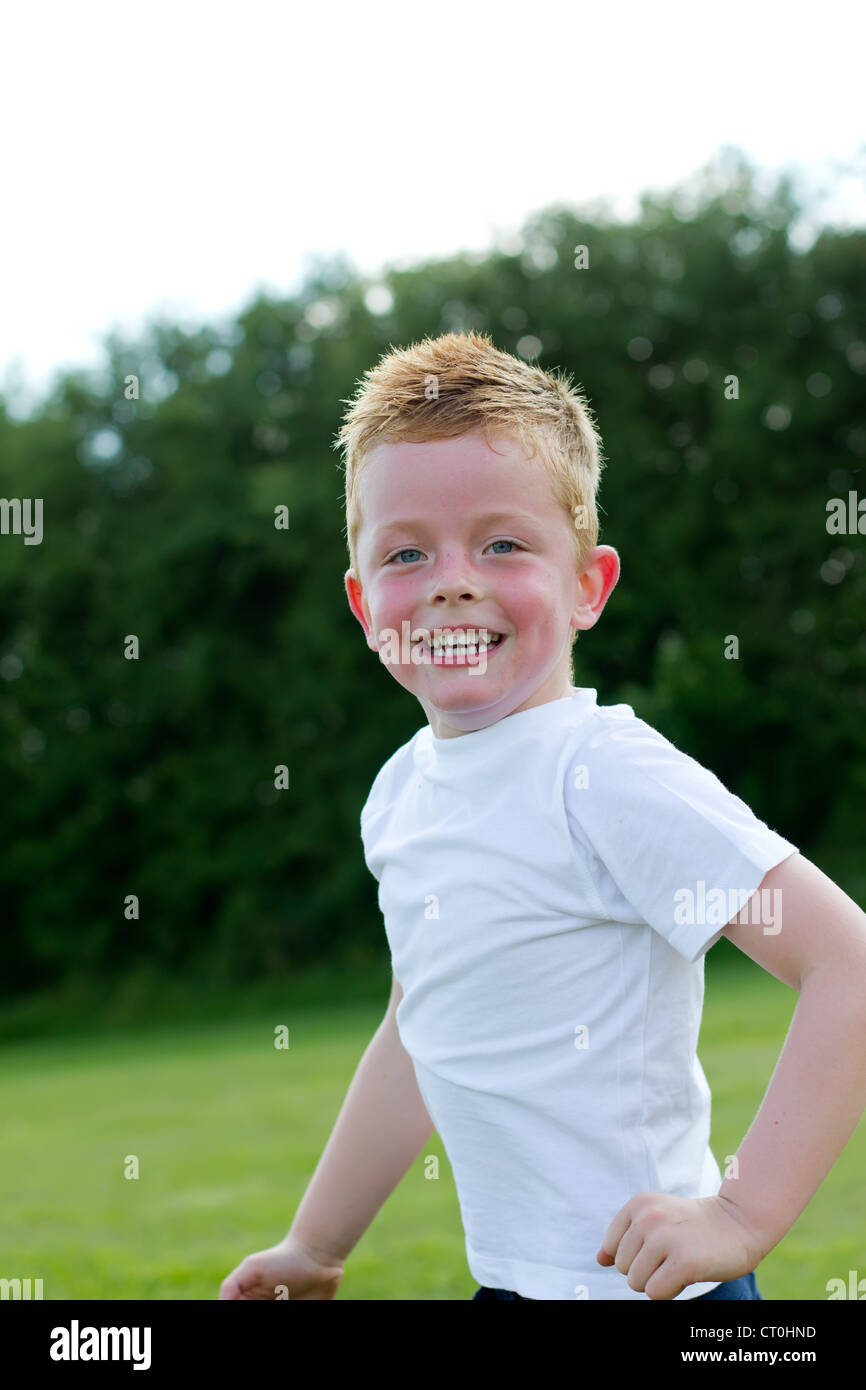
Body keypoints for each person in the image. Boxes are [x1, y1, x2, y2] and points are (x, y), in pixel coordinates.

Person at [220, 330, 866, 1301]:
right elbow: (421, 1023)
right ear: (362, 604)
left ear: (586, 586)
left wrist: (738, 1215)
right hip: (508, 1286)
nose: (450, 577)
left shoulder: (600, 772)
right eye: (406, 551)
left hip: (648, 1292)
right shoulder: (398, 795)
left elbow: (844, 960)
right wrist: (314, 1244)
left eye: (502, 543)